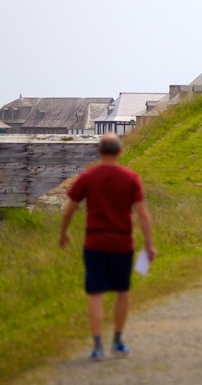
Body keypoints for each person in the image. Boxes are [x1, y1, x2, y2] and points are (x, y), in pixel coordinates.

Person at [59, 133, 156, 361]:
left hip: (94, 241)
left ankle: (97, 346)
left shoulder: (88, 177)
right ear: (120, 152)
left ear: (100, 152)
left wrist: (63, 233)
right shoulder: (130, 178)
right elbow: (142, 213)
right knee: (122, 291)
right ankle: (118, 341)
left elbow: (69, 209)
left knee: (96, 293)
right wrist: (149, 244)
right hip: (122, 242)